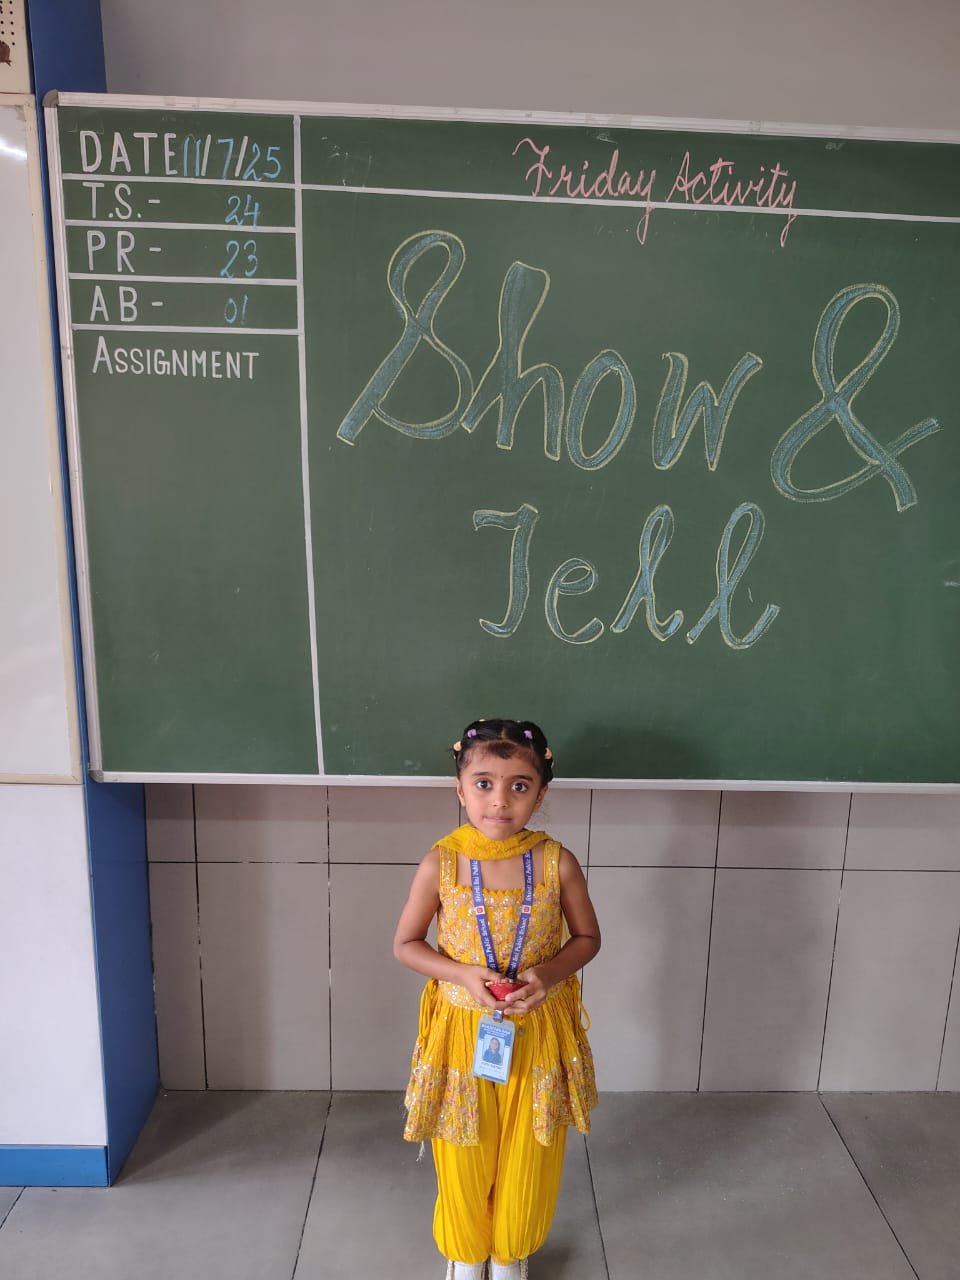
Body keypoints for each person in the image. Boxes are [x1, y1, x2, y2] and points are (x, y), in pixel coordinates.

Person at [394, 718, 601, 1280]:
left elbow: (587, 938)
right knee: (464, 1140)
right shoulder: (441, 863)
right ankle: (466, 1253)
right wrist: (462, 974)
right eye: (483, 784)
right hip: (463, 1030)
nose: (500, 801)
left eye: (519, 786)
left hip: (539, 1028)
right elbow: (407, 945)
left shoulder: (558, 861)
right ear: (460, 789)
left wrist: (548, 975)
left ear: (541, 794)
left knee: (532, 1143)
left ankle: (511, 1253)